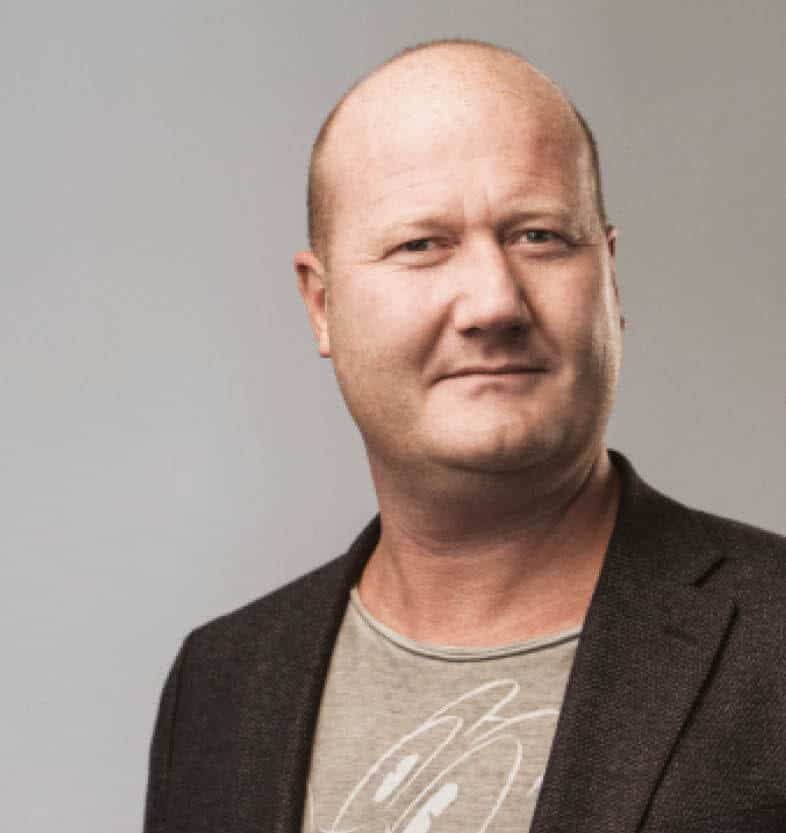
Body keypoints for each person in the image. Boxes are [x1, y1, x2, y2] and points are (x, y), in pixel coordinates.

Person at [143, 39, 786, 833]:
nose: (494, 303)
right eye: (422, 244)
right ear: (322, 305)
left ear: (610, 276)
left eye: (539, 236)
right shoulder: (218, 685)